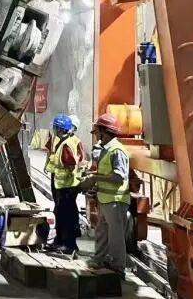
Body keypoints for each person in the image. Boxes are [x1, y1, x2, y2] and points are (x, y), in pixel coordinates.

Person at [80, 113, 130, 275]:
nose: (95, 135)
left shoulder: (117, 151)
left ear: (104, 132)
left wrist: (95, 178)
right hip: (105, 199)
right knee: (102, 231)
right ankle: (99, 260)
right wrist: (93, 178)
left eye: (97, 132)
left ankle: (118, 267)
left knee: (116, 236)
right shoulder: (106, 149)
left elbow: (119, 176)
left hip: (115, 200)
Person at [44, 114, 85, 255]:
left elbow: (70, 164)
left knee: (66, 216)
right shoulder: (66, 141)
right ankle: (60, 241)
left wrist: (59, 169)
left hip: (66, 187)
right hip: (64, 186)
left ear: (61, 129)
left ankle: (68, 245)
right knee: (61, 214)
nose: (54, 130)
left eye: (56, 128)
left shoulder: (66, 144)